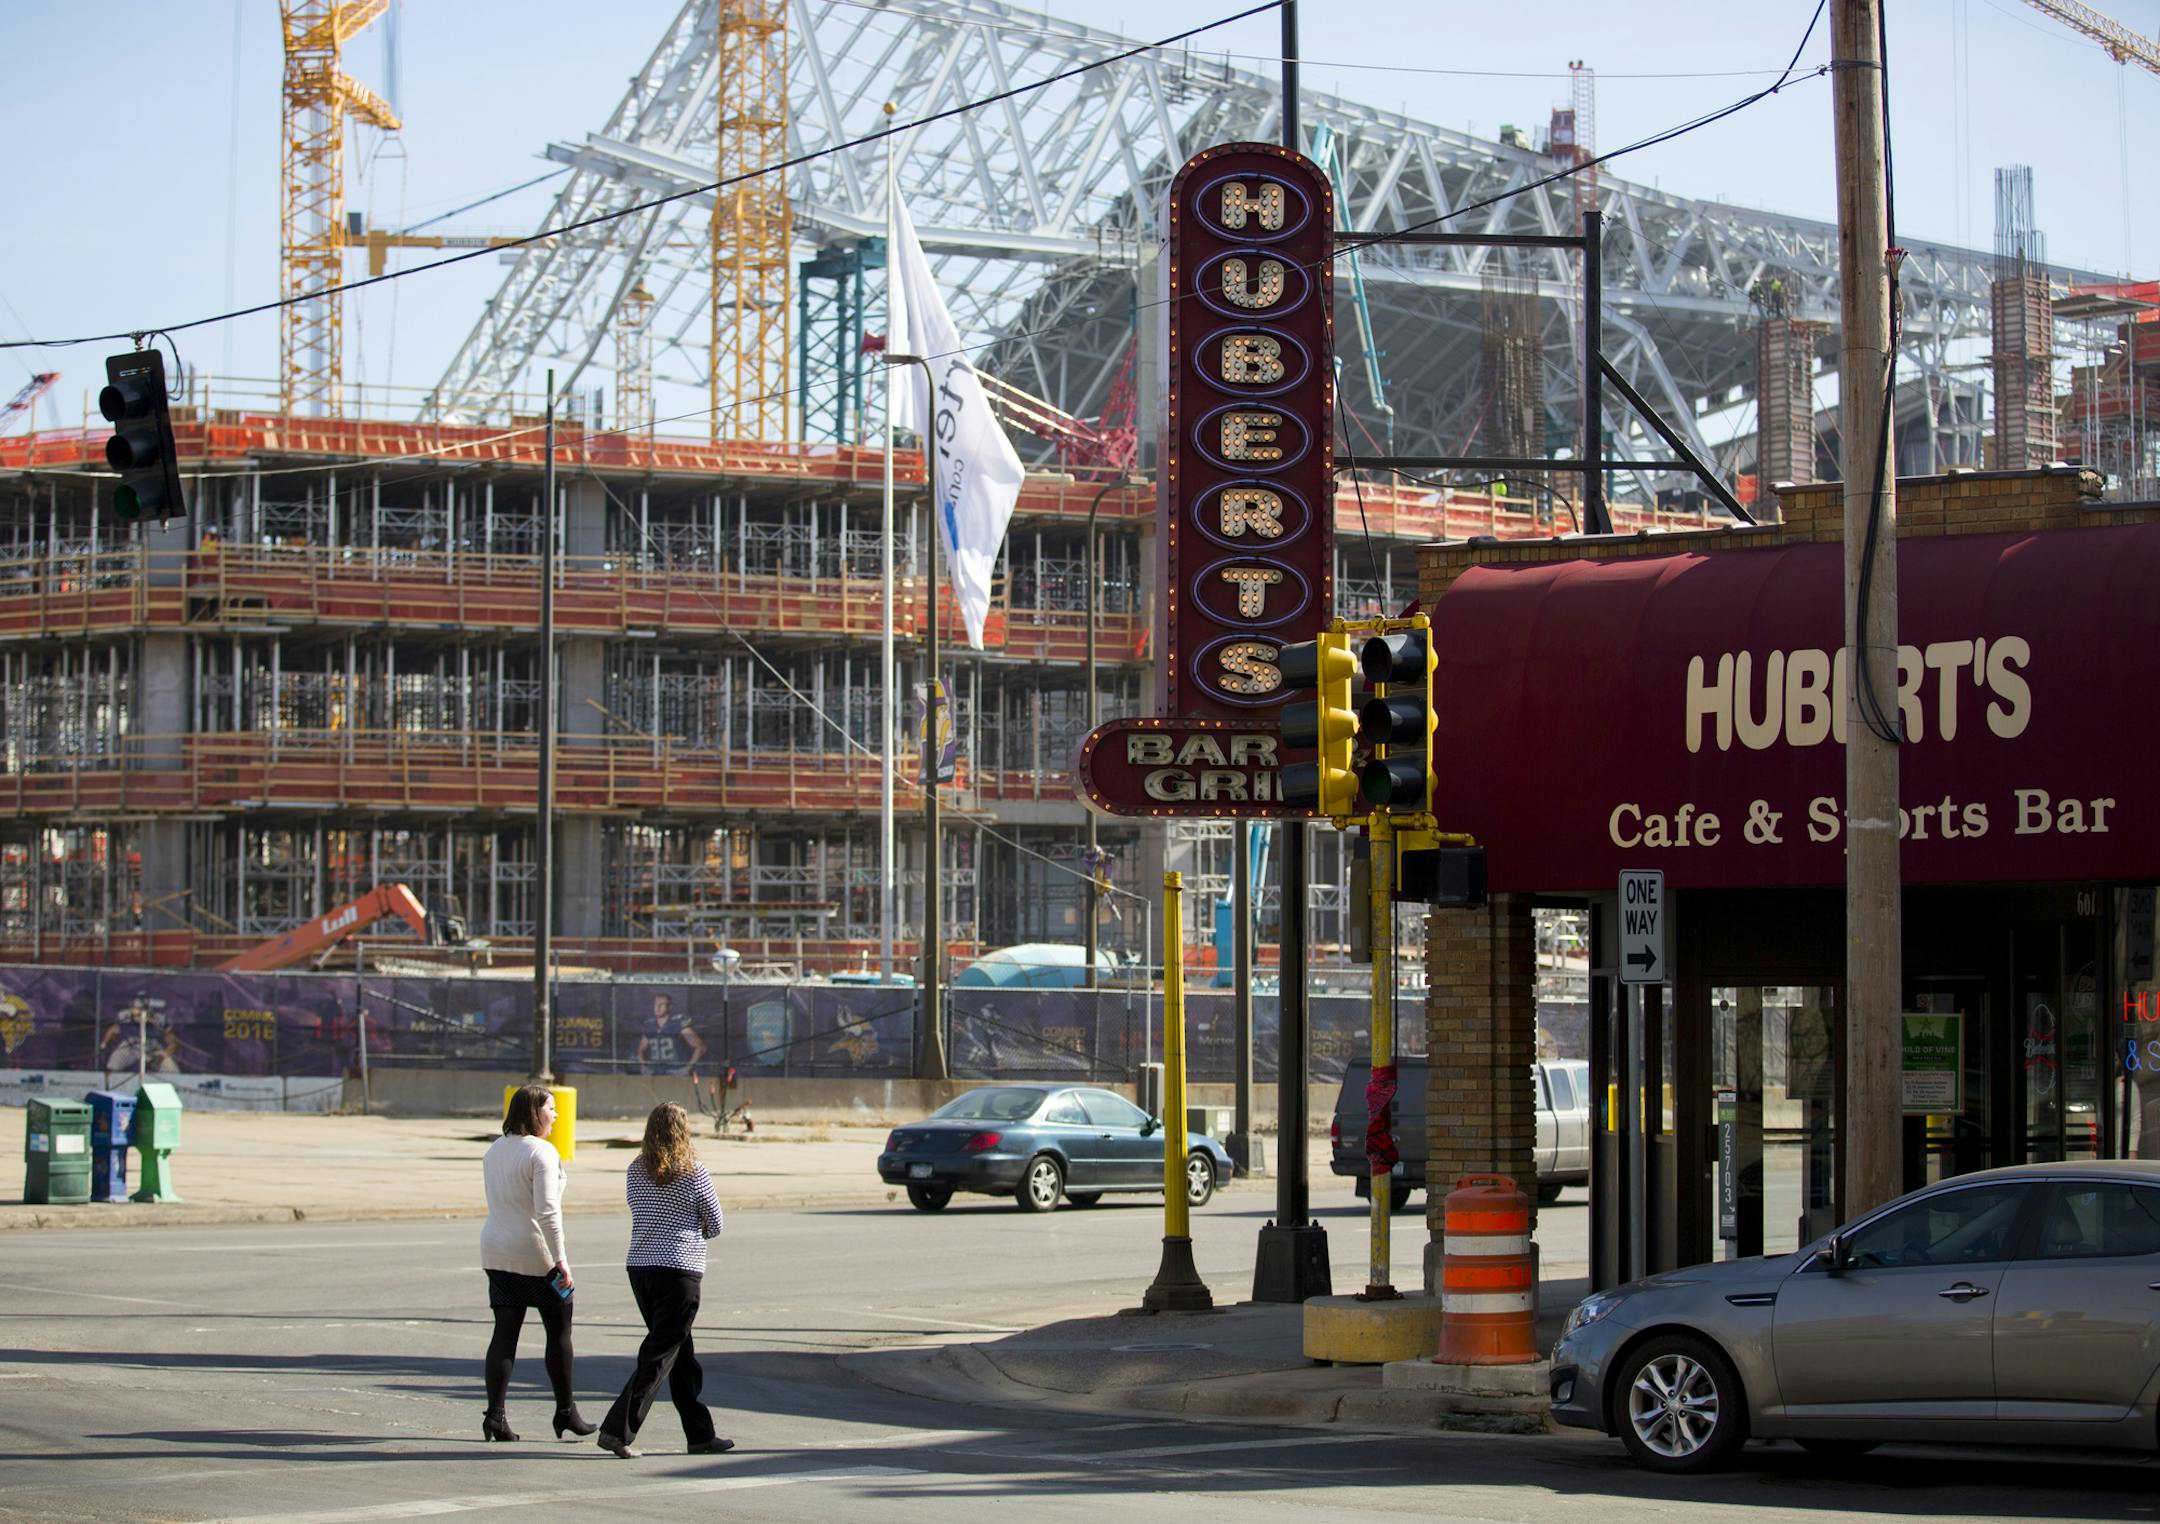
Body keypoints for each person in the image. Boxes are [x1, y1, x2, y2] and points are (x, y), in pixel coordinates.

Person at [595, 1102, 731, 1459]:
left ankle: (700, 1435)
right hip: (679, 1270)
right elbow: (715, 1223)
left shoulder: (635, 1170)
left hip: (641, 1267)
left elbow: (637, 1209)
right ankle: (617, 1429)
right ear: (683, 1132)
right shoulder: (693, 1172)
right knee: (659, 1354)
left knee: (679, 1355)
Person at [478, 1084, 595, 1443]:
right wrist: (561, 1260)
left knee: (505, 1332)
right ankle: (566, 1412)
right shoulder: (541, 1152)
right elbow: (547, 1212)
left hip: (495, 1249)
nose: (556, 1115)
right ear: (534, 1112)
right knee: (559, 1331)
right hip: (535, 1252)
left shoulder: (494, 1149)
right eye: (550, 1108)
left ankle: (495, 1416)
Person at [636, 992, 708, 1075]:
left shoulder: (677, 1023)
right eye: (656, 1004)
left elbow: (701, 1047)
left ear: (669, 1007)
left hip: (674, 1071)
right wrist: (643, 1066)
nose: (657, 1008)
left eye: (661, 1005)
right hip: (655, 1073)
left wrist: (687, 1068)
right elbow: (640, 1050)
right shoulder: (649, 1025)